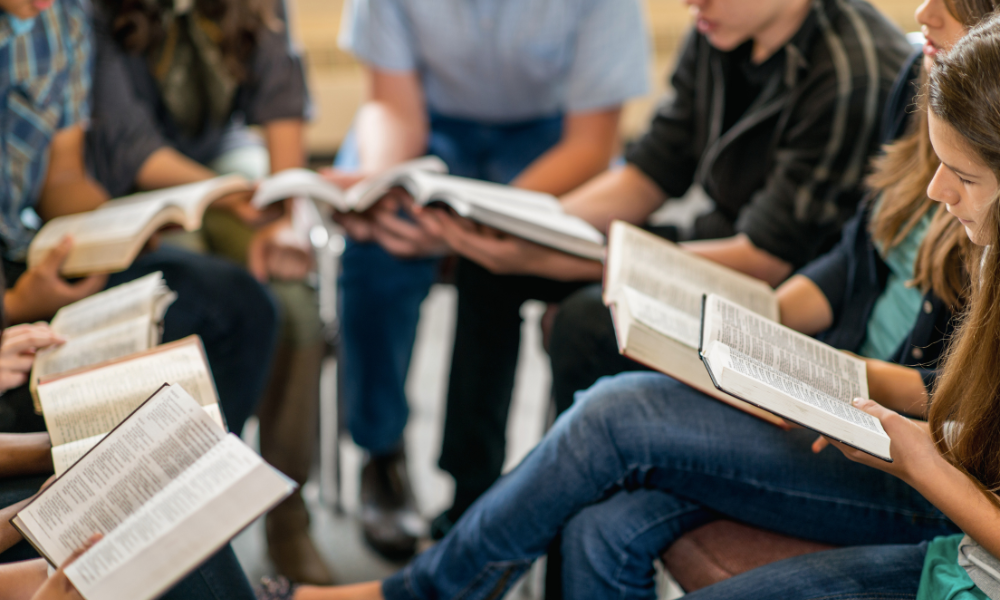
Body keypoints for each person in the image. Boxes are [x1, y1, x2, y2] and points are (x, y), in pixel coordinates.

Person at [275, 0, 993, 597]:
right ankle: (464, 507)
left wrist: (804, 365)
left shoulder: (892, 88)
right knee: (604, 522)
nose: (922, 14)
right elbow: (848, 260)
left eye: (950, 7)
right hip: (856, 388)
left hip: (899, 438)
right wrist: (754, 330)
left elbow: (946, 392)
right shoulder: (924, 82)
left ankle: (424, 589)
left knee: (616, 413)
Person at [408, 0, 914, 534]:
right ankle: (471, 502)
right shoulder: (722, 26)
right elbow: (649, 173)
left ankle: (566, 524)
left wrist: (576, 261)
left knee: (587, 321)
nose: (690, 3)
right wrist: (527, 229)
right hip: (721, 240)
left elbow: (766, 258)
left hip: (785, 289)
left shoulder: (848, 72)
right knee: (490, 266)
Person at [330, 0, 651, 558]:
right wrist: (383, 185)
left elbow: (592, 144)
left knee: (549, 260)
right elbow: (393, 106)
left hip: (553, 137)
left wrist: (478, 221)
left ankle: (570, 477)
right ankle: (383, 454)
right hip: (431, 126)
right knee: (375, 253)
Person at [83, 0, 329, 583]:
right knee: (189, 297)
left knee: (293, 304)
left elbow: (280, 104)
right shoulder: (90, 12)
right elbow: (130, 147)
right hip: (124, 183)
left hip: (221, 161)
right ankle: (188, 522)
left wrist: (284, 218)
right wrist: (226, 194)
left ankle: (287, 521)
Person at [0, 0, 276, 452]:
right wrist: (15, 304)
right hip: (14, 290)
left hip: (23, 248)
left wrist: (122, 229)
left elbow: (63, 178)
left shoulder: (62, 17)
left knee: (241, 308)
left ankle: (197, 505)